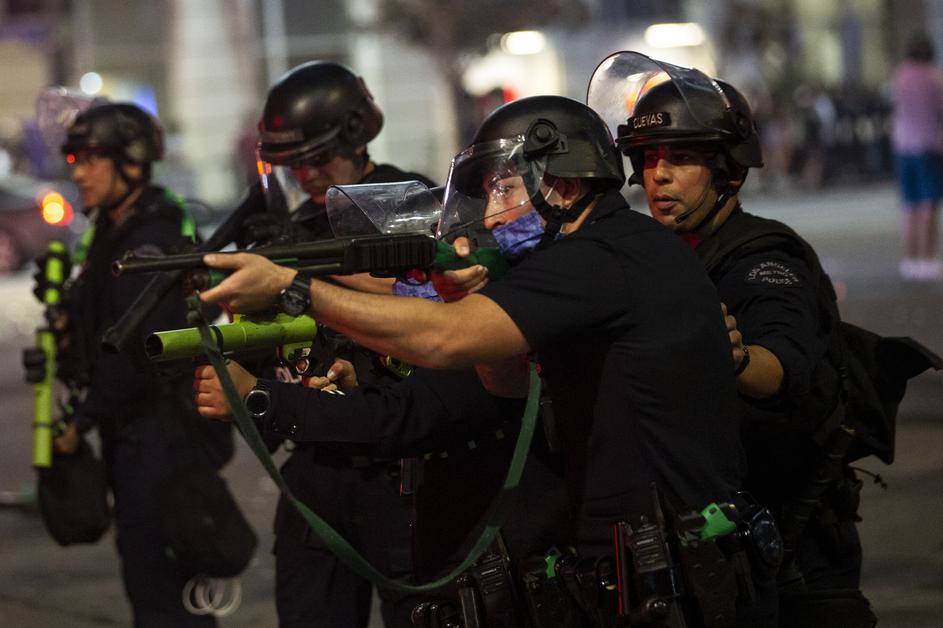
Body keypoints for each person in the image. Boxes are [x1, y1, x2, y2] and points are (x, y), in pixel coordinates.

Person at [196, 94, 778, 627]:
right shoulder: (599, 256)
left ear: (562, 185)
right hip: (640, 571)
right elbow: (500, 386)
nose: (492, 215)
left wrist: (294, 290)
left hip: (674, 579)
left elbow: (446, 344)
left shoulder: (600, 258)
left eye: (504, 189)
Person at [588, 51, 877, 625]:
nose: (658, 175)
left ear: (729, 171)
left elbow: (781, 366)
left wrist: (739, 359)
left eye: (681, 158)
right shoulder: (664, 256)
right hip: (715, 542)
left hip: (795, 552)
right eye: (648, 158)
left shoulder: (766, 259)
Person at [248, 60, 436, 628]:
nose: (306, 174)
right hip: (316, 461)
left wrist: (299, 275)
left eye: (318, 157)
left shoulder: (410, 205)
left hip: (401, 466)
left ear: (356, 136)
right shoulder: (287, 229)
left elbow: (427, 301)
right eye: (294, 163)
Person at [50, 102, 234, 627]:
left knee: (163, 588)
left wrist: (81, 422)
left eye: (91, 159)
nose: (78, 173)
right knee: (149, 578)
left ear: (130, 161)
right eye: (74, 159)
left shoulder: (147, 238)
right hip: (135, 434)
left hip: (160, 438)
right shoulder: (114, 226)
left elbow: (134, 353)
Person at [892, 32, 943, 280]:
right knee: (928, 204)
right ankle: (926, 258)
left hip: (903, 147)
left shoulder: (900, 76)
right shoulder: (934, 78)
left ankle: (909, 259)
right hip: (927, 146)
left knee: (909, 205)